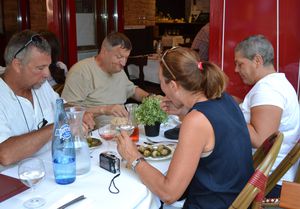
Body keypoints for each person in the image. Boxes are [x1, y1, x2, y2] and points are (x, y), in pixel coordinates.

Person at [116, 47, 254, 209]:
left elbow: (168, 193)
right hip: (234, 196)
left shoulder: (196, 121)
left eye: (161, 82)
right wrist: (185, 111)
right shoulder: (224, 97)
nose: (161, 87)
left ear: (173, 86)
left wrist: (133, 157)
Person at [0, 30, 95, 170]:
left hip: (52, 167)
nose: (47, 74)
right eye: (40, 68)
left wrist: (77, 114)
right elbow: (5, 154)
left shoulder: (41, 86)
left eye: (48, 66)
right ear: (17, 65)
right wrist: (59, 124)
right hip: (15, 182)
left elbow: (62, 106)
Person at [234, 34, 300, 197]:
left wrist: (228, 112)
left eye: (240, 64)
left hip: (266, 183)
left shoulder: (268, 90)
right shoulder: (274, 84)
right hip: (267, 176)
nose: (236, 70)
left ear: (257, 60)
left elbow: (260, 139)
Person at [61, 32, 149, 128]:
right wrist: (105, 109)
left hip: (124, 127)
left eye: (126, 58)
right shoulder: (81, 71)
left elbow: (132, 90)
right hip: (97, 132)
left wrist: (153, 99)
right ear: (104, 52)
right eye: (119, 57)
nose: (123, 63)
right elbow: (67, 108)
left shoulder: (118, 70)